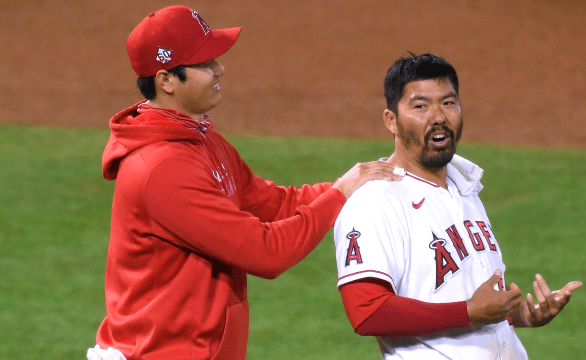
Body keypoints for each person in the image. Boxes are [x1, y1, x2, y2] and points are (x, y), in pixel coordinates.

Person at [87, 5, 404, 360]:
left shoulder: (202, 140)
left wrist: (358, 182)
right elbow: (266, 253)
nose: (219, 68)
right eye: (205, 63)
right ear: (166, 81)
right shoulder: (161, 169)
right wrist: (341, 193)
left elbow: (277, 204)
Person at [333, 53, 583, 359]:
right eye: (421, 106)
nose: (438, 117)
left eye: (448, 103)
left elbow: (470, 298)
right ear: (391, 121)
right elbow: (367, 310)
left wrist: (523, 314)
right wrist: (468, 313)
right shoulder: (374, 201)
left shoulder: (463, 187)